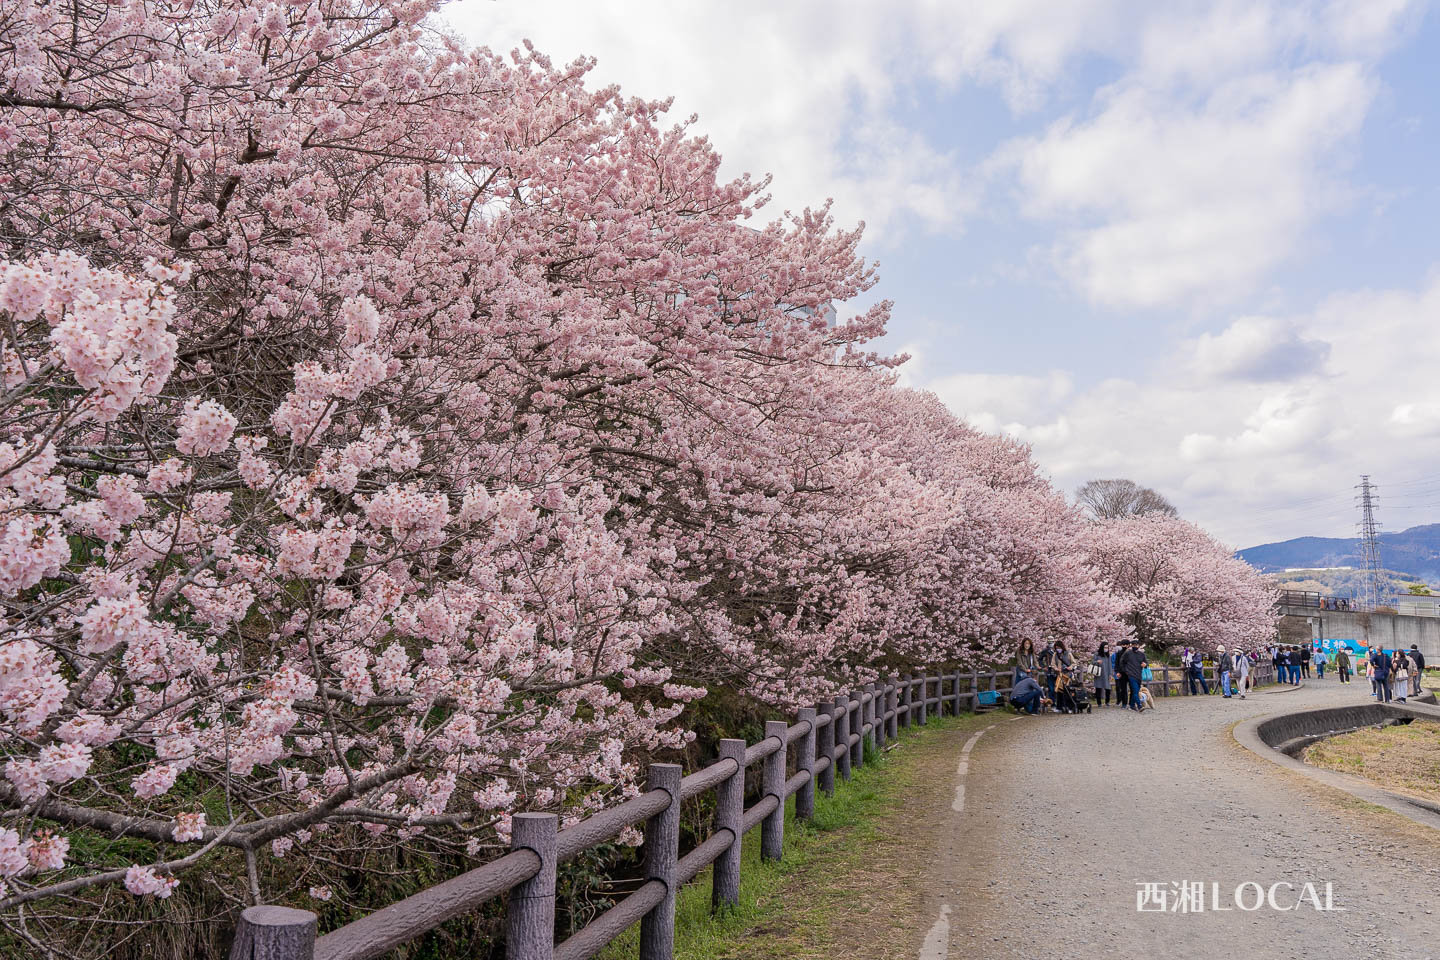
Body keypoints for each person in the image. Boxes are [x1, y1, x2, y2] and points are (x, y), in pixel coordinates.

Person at [1118, 641, 1147, 714]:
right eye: (1133, 645)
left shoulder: (1142, 654)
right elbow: (1121, 662)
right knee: (1135, 690)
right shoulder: (1127, 653)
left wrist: (1145, 664)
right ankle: (1139, 706)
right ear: (1131, 645)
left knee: (1136, 691)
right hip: (1131, 675)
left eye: (1136, 645)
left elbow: (1146, 663)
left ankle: (1131, 705)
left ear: (1139, 646)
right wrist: (1125, 671)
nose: (1135, 646)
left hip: (1139, 675)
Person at [1093, 642, 1115, 707]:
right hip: (1098, 673)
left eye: (1107, 647)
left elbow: (1110, 665)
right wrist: (1097, 661)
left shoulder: (1108, 655)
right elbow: (1092, 662)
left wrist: (1110, 674)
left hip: (1106, 673)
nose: (1106, 649)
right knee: (1098, 688)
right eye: (1105, 647)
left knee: (1108, 688)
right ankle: (1099, 703)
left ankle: (1107, 702)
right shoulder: (1097, 654)